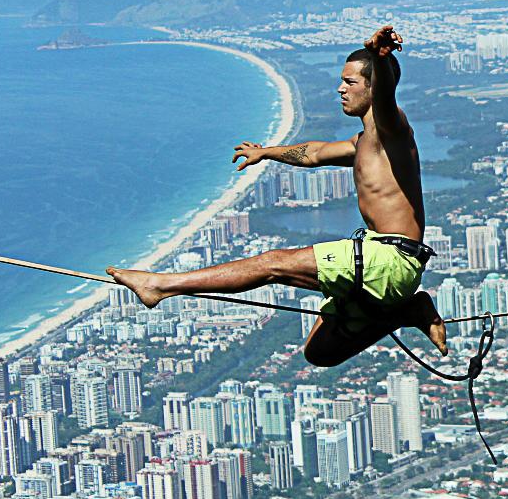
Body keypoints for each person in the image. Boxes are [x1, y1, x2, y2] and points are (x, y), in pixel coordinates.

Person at [107, 25, 447, 365]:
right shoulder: (364, 143)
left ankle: (161, 286)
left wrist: (380, 58)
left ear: (372, 88)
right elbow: (313, 153)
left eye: (350, 82)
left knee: (272, 264)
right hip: (380, 266)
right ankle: (408, 309)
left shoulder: (393, 129)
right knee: (320, 352)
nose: (340, 89)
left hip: (389, 260)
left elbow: (386, 97)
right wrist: (266, 152)